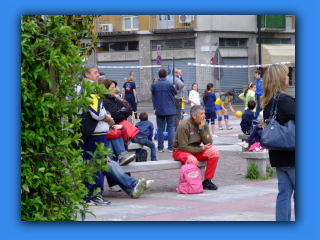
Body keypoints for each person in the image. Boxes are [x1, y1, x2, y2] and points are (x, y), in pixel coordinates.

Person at [260, 64, 295, 221]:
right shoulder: (284, 100)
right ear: (281, 79)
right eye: (287, 75)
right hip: (292, 155)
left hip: (278, 156)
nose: (289, 77)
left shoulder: (268, 102)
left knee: (284, 193)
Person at [81, 63, 114, 205]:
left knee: (87, 164)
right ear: (87, 74)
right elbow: (97, 113)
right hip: (96, 133)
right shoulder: (90, 88)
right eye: (95, 72)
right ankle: (95, 195)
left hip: (88, 131)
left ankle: (87, 195)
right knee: (97, 164)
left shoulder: (79, 88)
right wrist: (109, 119)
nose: (98, 74)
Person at [172, 105, 220, 190]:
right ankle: (193, 183)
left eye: (204, 113)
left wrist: (201, 130)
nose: (204, 116)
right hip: (180, 151)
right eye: (201, 114)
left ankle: (207, 181)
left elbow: (209, 142)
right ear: (194, 116)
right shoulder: (184, 126)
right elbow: (183, 147)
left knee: (214, 152)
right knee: (193, 160)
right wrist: (201, 149)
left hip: (196, 149)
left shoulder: (204, 124)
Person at [151, 69, 177, 153]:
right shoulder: (169, 84)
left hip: (159, 109)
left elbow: (153, 97)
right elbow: (175, 93)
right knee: (170, 128)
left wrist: (155, 107)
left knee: (160, 128)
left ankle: (160, 147)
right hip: (169, 109)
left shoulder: (154, 85)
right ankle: (170, 147)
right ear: (166, 75)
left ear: (158, 75)